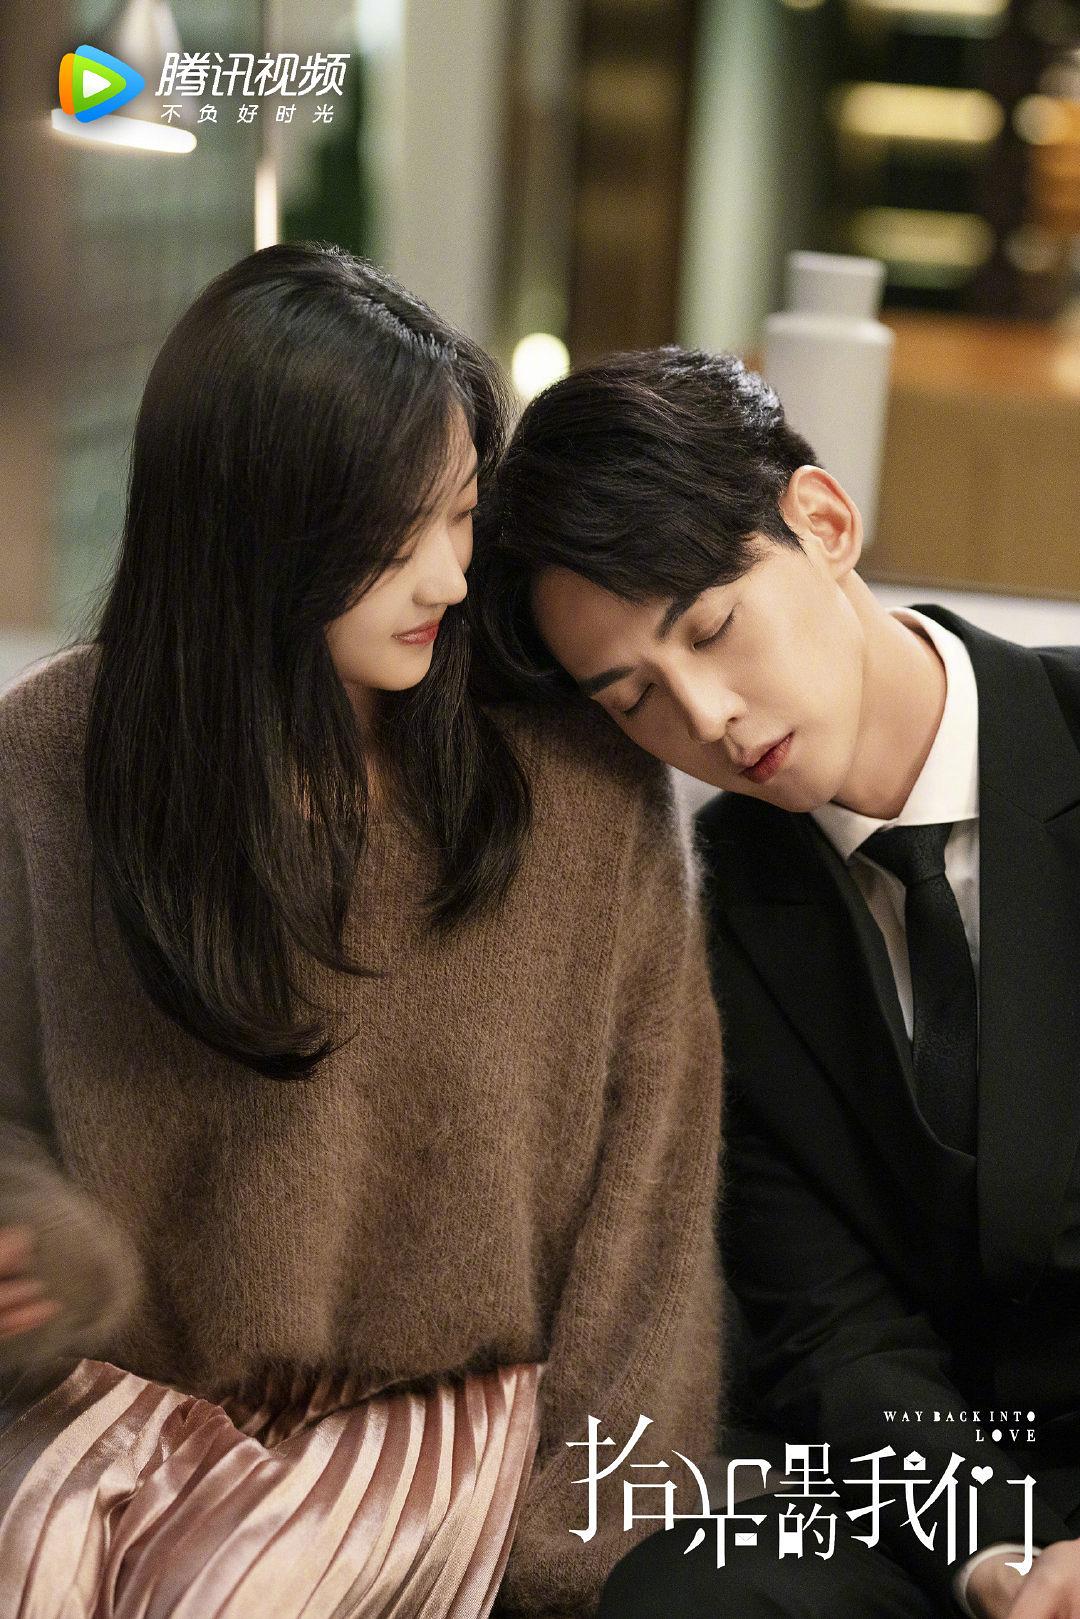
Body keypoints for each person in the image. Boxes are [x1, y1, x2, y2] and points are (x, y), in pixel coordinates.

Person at [0, 258, 723, 1618]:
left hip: (431, 1443)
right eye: (400, 533)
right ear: (260, 524)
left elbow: (655, 1201)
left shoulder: (574, 779)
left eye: (463, 514)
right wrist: (42, 1247)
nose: (450, 572)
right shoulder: (50, 754)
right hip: (113, 1418)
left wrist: (589, 1540)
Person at [469, 345, 1080, 1619]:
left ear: (825, 521)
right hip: (946, 1509)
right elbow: (830, 1320)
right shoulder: (716, 910)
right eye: (633, 697)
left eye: (711, 628)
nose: (705, 718)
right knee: (680, 1594)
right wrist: (999, 1557)